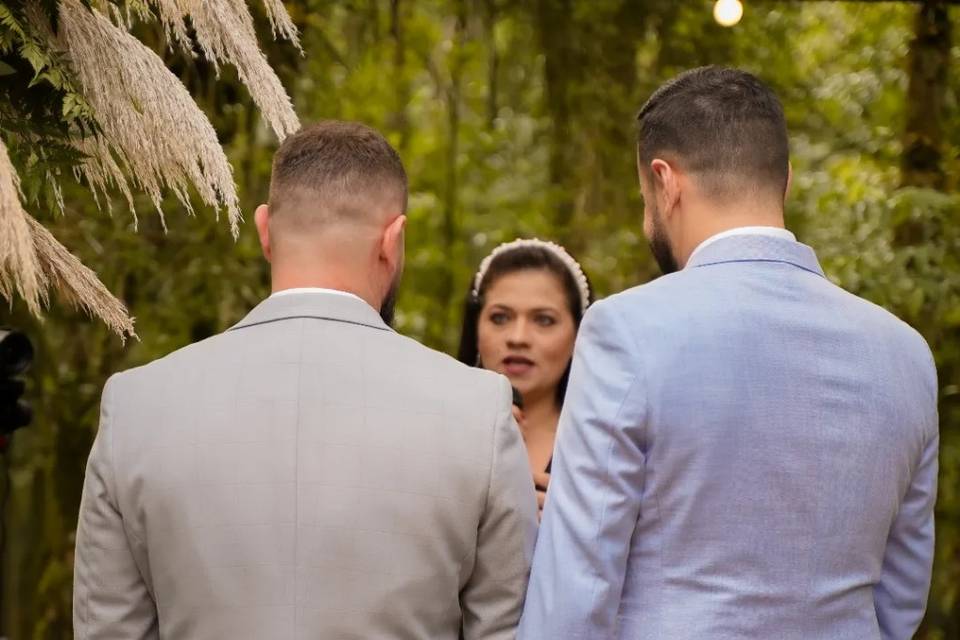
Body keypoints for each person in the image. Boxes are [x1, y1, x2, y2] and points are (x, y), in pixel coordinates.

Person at [518, 66, 938, 640]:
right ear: (785, 181)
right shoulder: (907, 355)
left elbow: (574, 595)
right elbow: (900, 598)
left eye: (646, 198)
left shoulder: (626, 330)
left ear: (666, 183)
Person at [73, 121, 538, 639]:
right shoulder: (477, 409)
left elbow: (108, 630)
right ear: (393, 240)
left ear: (265, 231)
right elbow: (509, 629)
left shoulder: (138, 406)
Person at [457, 239, 592, 516]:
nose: (518, 338)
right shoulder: (434, 430)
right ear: (475, 327)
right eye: (500, 318)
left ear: (579, 333)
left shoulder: (605, 444)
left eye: (543, 320)